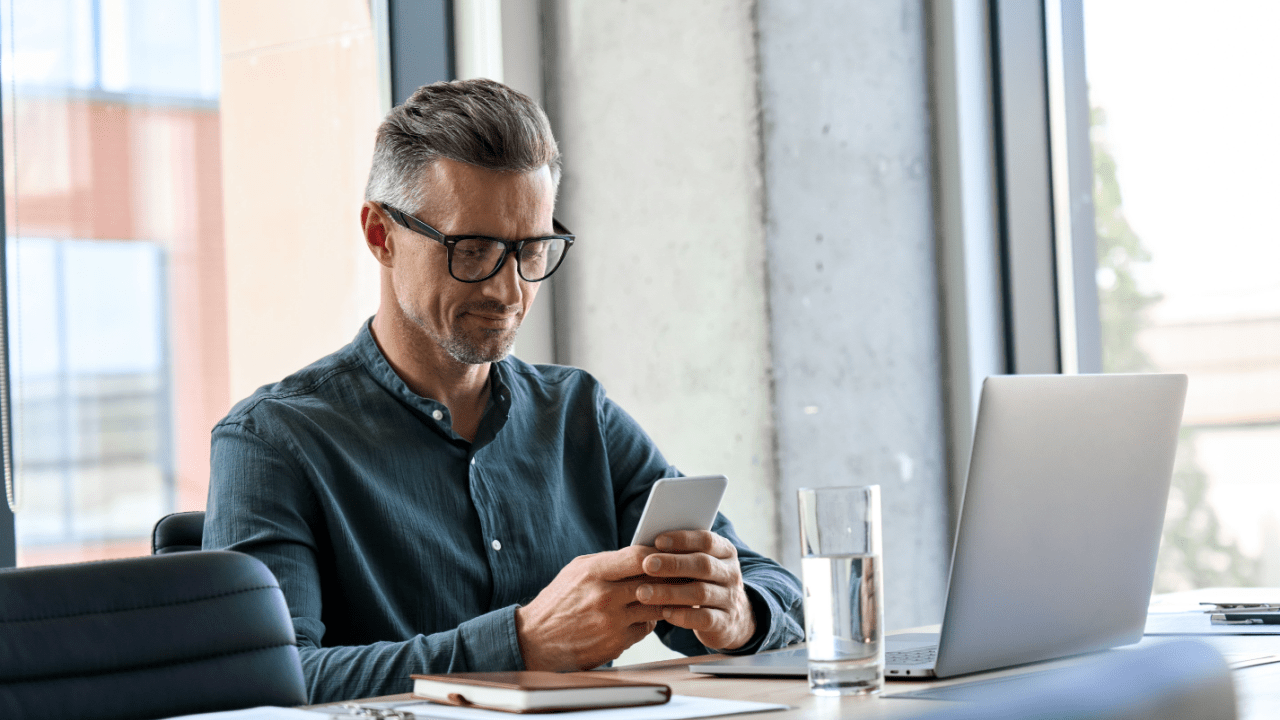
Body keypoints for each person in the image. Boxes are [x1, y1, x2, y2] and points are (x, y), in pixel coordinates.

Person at [203, 78, 803, 704]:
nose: (509, 290)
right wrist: (519, 645)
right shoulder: (273, 440)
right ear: (381, 235)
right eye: (473, 250)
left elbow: (771, 586)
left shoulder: (579, 414)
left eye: (532, 250)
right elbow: (265, 682)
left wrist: (736, 614)